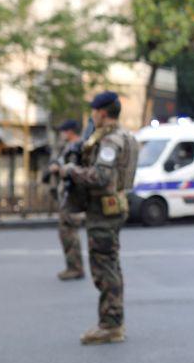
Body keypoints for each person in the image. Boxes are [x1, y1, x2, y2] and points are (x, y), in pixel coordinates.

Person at [59, 91, 139, 345]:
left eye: (94, 111)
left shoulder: (110, 141)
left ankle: (110, 325)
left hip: (104, 210)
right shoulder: (123, 136)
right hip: (112, 207)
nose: (92, 115)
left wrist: (72, 171)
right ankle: (114, 320)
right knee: (110, 264)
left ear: (102, 113)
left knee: (104, 267)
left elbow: (101, 177)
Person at [45, 118, 86, 280]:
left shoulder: (77, 148)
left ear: (70, 131)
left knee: (69, 232)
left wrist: (59, 168)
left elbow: (75, 170)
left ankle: (75, 267)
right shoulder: (69, 147)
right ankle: (73, 266)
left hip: (73, 196)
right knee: (66, 232)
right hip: (67, 196)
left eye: (63, 131)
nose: (61, 134)